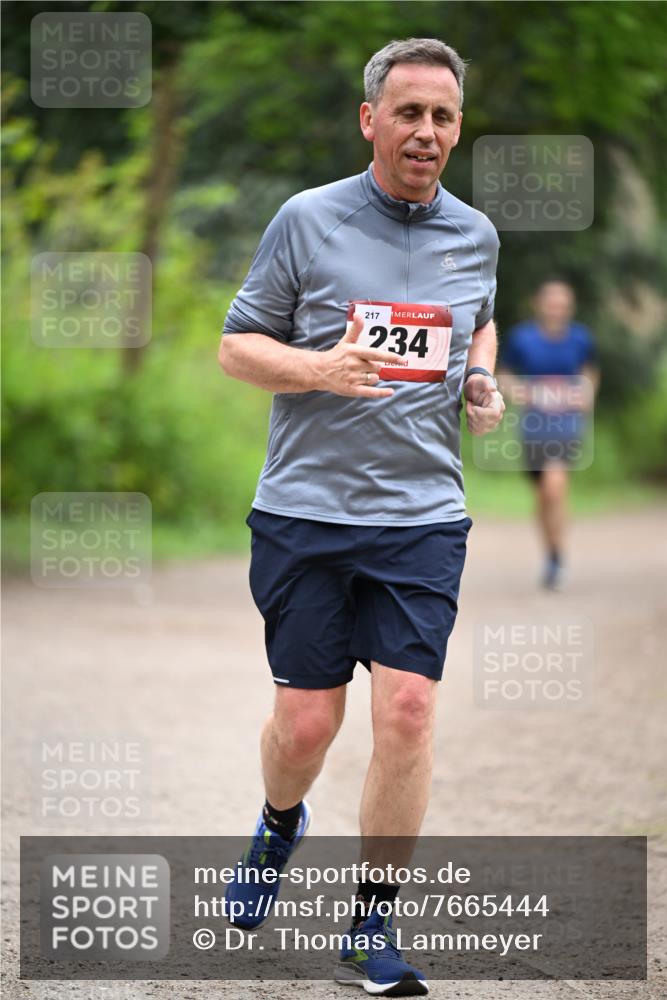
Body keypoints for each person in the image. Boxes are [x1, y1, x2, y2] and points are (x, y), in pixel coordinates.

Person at [218, 37, 504, 996]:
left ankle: (370, 924)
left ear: (458, 129)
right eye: (410, 112)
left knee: (410, 712)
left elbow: (478, 312)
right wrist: (316, 369)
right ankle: (277, 821)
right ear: (369, 118)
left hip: (422, 516)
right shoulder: (305, 220)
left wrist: (478, 374)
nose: (427, 132)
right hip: (303, 512)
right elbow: (235, 346)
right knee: (304, 728)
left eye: (443, 116)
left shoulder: (476, 234)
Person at [498, 280, 599, 590]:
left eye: (563, 303)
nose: (557, 309)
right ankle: (552, 553)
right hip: (533, 427)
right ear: (538, 304)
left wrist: (586, 394)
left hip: (567, 425)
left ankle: (557, 557)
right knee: (543, 495)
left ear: (570, 307)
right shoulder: (521, 338)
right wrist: (522, 392)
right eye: (551, 302)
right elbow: (503, 374)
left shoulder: (581, 338)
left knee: (555, 486)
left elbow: (590, 372)